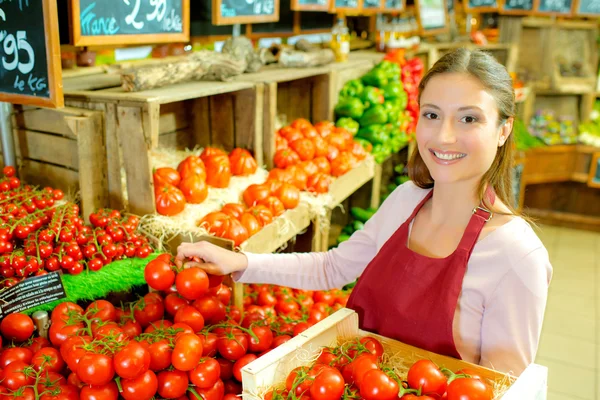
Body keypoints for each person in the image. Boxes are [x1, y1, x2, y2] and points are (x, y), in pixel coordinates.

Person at [176, 48, 553, 376]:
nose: (443, 137)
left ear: (504, 129)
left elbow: (502, 388)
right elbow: (333, 267)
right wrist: (239, 262)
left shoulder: (517, 256)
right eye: (432, 115)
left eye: (469, 118)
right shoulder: (406, 200)